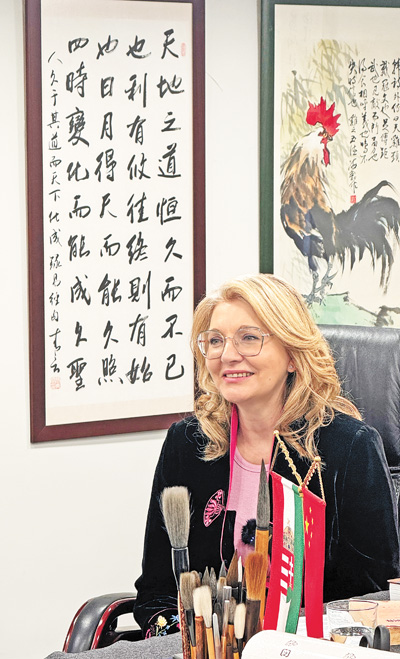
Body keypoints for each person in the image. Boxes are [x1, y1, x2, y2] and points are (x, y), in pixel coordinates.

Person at [133, 273, 400, 638]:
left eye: (249, 338)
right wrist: (185, 639)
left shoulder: (350, 447)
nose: (228, 355)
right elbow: (157, 590)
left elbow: (374, 600)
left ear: (292, 355)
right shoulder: (187, 443)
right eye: (215, 340)